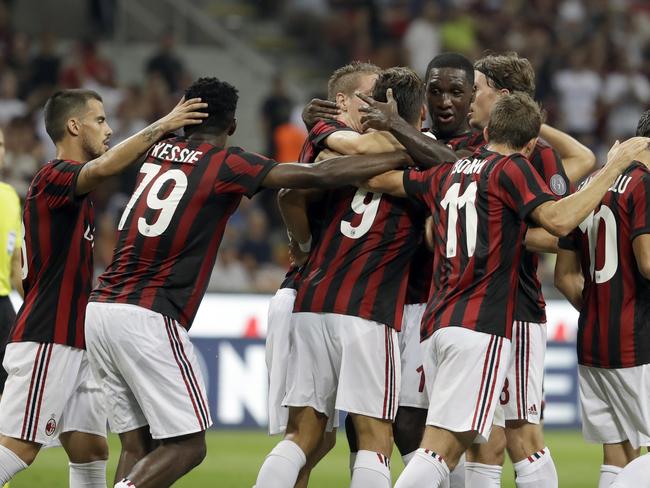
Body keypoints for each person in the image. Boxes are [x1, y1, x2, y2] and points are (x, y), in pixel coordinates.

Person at [84, 76, 414, 488]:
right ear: (234, 125)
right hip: (147, 312)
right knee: (188, 445)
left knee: (138, 446)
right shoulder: (228, 162)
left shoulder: (154, 153)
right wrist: (402, 153)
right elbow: (311, 179)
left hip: (100, 308)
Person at [354, 92, 650, 488]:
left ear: (488, 130)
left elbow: (383, 180)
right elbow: (559, 220)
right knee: (444, 448)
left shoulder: (450, 170)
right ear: (529, 146)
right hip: (481, 325)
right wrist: (614, 166)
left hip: (437, 322)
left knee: (450, 444)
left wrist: (345, 151)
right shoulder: (511, 169)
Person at [0, 89, 208, 487]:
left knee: (91, 449)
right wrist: (163, 124)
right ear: (74, 126)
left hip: (77, 339)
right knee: (18, 447)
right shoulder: (54, 175)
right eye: (100, 120)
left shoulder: (74, 192)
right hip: (49, 336)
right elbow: (106, 166)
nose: (109, 129)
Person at [258, 67, 430, 488]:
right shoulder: (422, 160)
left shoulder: (329, 150)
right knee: (374, 438)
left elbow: (291, 193)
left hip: (312, 298)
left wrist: (300, 245)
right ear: (419, 114)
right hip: (369, 309)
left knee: (305, 435)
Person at [554, 110, 650, 488]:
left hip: (593, 339)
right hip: (637, 340)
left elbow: (563, 276)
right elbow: (647, 262)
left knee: (618, 452)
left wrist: (600, 307)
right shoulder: (645, 185)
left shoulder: (592, 183)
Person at [0, 127, 22, 400]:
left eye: (2, 144)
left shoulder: (10, 197)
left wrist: (35, 307)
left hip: (4, 306)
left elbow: (16, 262)